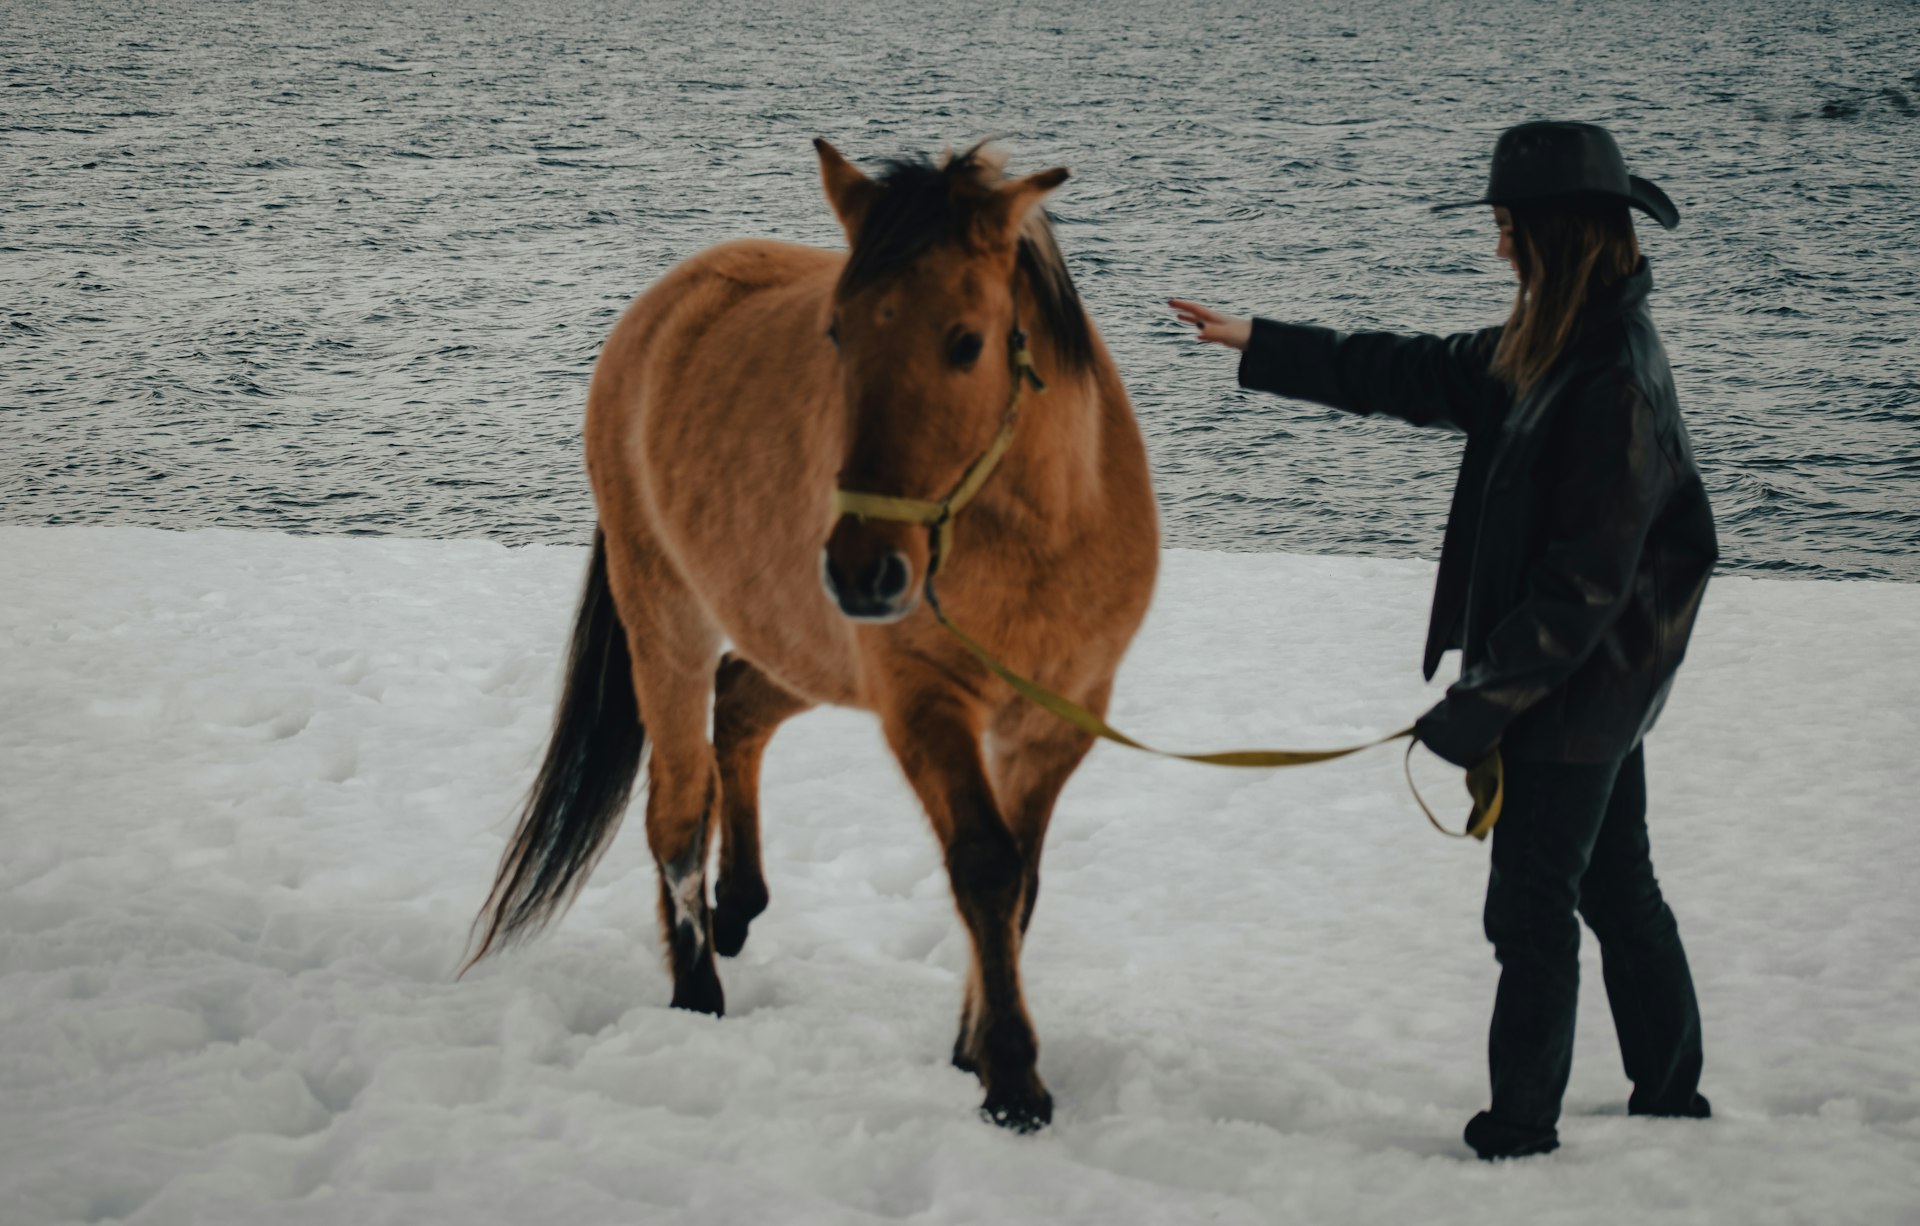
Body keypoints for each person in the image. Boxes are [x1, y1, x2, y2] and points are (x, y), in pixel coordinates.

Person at [1169, 121, 1717, 1160]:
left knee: (1534, 908)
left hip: (1571, 690)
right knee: (1615, 884)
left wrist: (1478, 706)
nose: (1499, 247)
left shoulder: (1609, 381)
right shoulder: (1554, 344)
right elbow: (1413, 371)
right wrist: (1256, 339)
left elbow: (1583, 586)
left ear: (1555, 237)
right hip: (1593, 684)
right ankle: (1671, 1090)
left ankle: (1521, 1128)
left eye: (1511, 228)